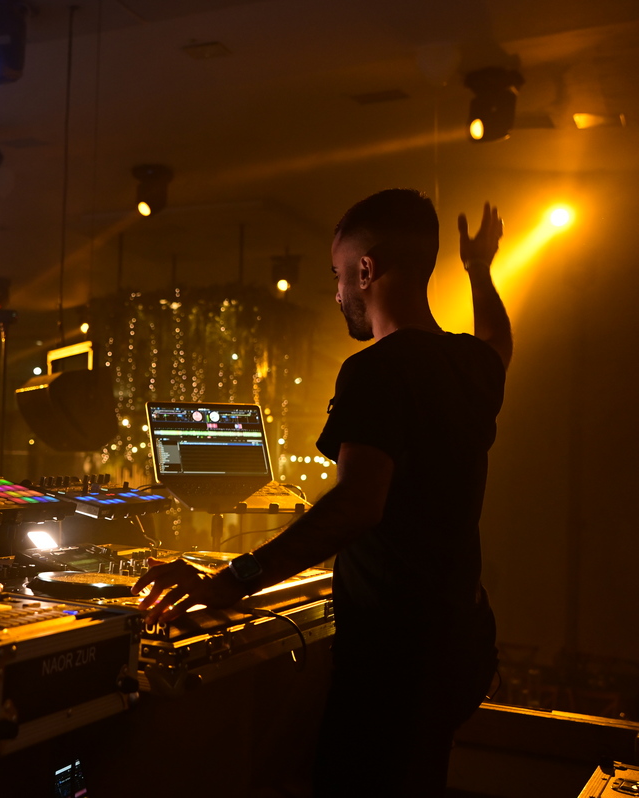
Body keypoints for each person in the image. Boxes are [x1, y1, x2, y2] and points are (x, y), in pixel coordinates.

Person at [134, 189, 509, 797]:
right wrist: (480, 270)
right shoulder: (471, 363)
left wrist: (230, 581)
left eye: (338, 274)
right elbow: (498, 340)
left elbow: (358, 503)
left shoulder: (376, 370)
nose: (336, 293)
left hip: (396, 656)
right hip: (462, 636)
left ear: (366, 270)